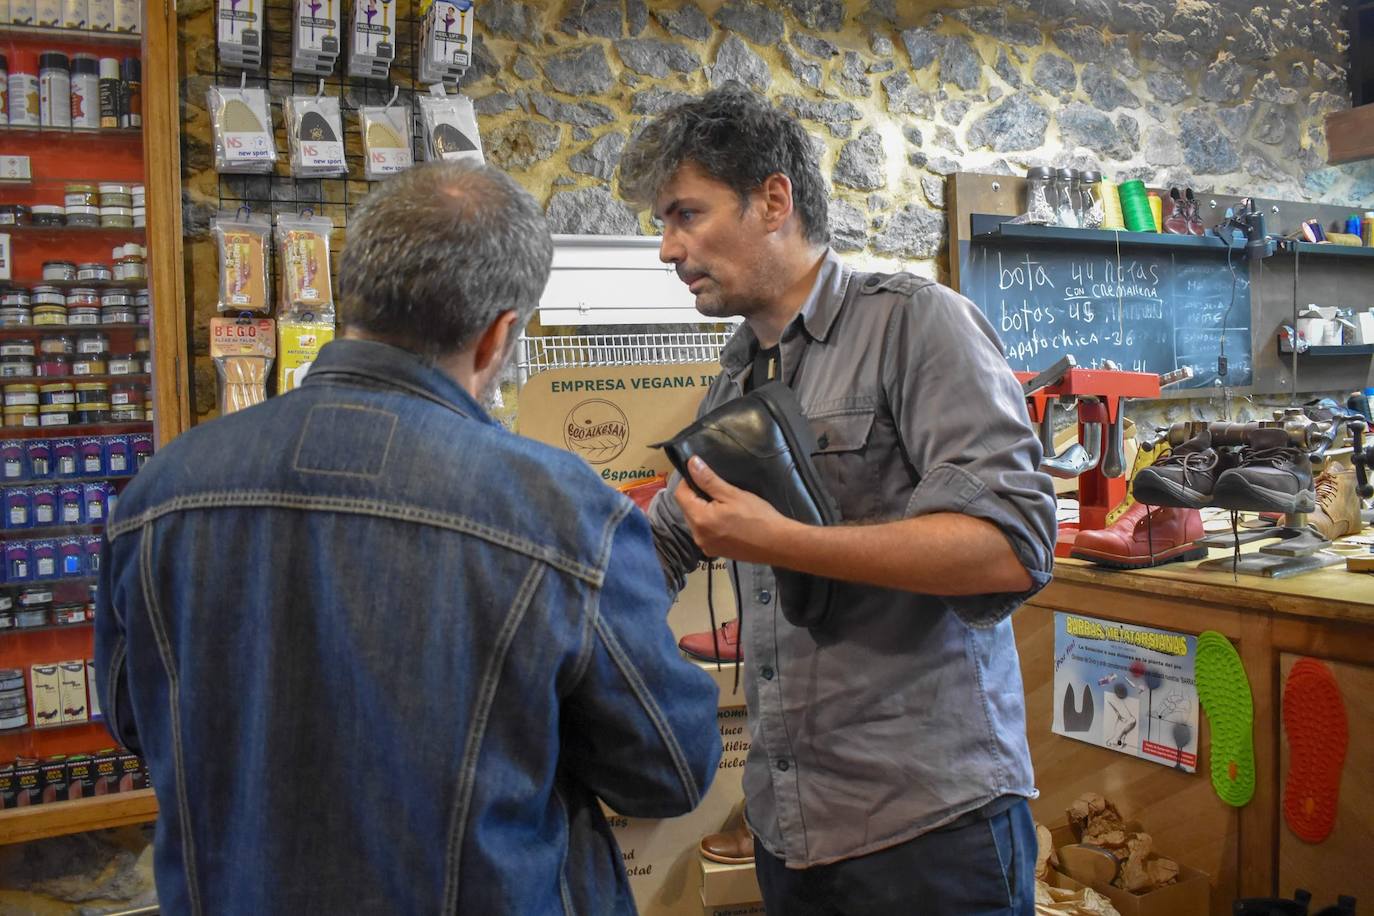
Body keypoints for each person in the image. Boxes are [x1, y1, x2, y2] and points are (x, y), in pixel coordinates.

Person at [94, 161, 722, 915]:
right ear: (498, 338)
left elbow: (134, 719)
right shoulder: (560, 512)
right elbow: (669, 769)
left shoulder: (162, 493)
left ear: (349, 295)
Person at [620, 85, 1057, 915]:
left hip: (930, 828)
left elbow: (1012, 547)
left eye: (686, 214)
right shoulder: (739, 369)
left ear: (773, 200)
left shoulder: (919, 325)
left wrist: (782, 540)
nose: (669, 248)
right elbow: (669, 539)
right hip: (795, 832)